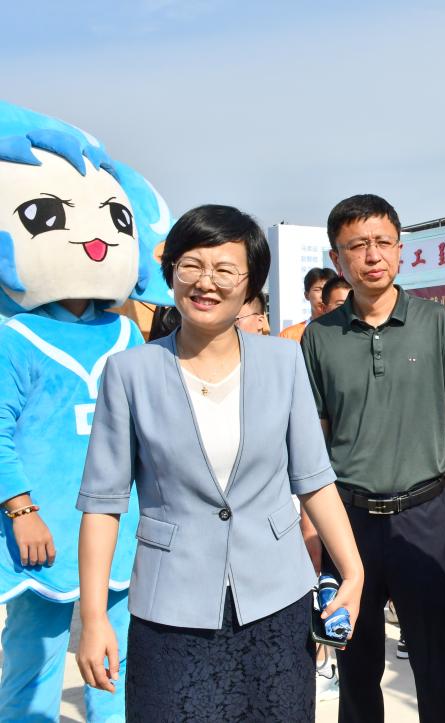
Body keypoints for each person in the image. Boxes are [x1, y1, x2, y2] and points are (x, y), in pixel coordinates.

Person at [74, 205, 364, 722]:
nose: (206, 282)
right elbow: (103, 504)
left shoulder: (283, 361)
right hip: (170, 609)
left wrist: (353, 570)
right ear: (171, 272)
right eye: (192, 265)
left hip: (276, 602)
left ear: (250, 283)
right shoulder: (129, 373)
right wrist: (94, 619)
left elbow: (315, 481)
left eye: (225, 269)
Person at [0, 101, 171, 722]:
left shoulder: (126, 335)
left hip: (119, 524)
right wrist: (21, 510)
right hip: (43, 523)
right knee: (36, 656)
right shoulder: (14, 337)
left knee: (114, 657)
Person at [302, 193, 445, 723]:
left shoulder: (436, 322)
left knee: (436, 663)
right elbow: (315, 436)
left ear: (401, 250)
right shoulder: (320, 336)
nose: (372, 255)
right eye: (358, 245)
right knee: (355, 665)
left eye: (383, 242)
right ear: (337, 258)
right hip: (348, 520)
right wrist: (312, 523)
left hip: (426, 514)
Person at [280, 267, 337, 341]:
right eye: (318, 290)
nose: (323, 295)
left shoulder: (347, 332)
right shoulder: (288, 336)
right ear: (306, 295)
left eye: (329, 290)